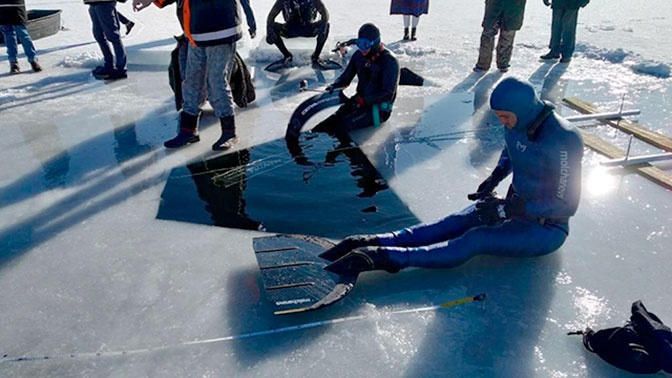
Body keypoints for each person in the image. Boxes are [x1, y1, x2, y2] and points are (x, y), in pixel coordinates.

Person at [321, 77, 584, 277]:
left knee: (476, 239)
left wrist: (513, 207)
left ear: (523, 110)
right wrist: (494, 179)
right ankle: (372, 242)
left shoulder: (562, 139)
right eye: (499, 117)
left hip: (545, 226)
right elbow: (511, 151)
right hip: (512, 208)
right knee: (455, 221)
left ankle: (381, 259)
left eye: (505, 117)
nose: (502, 122)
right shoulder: (519, 122)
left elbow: (567, 204)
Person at [134, 0, 252, 151]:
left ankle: (229, 133)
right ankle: (188, 130)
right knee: (191, 81)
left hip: (221, 30)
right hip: (196, 32)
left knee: (216, 83)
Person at [311, 23, 399, 138]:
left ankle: (342, 154)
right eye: (359, 44)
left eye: (366, 45)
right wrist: (334, 86)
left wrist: (365, 100)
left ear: (375, 43)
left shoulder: (389, 61)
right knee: (328, 123)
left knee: (341, 127)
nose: (362, 49)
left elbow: (388, 93)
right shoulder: (358, 56)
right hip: (358, 101)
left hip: (379, 109)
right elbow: (345, 78)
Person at [266, 0, 330, 67]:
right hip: (291, 29)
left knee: (325, 25)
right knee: (271, 26)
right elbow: (270, 18)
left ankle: (315, 56)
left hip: (306, 29)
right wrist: (269, 33)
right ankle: (287, 55)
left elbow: (325, 16)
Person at [473, 0, 527, 73]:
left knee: (507, 35)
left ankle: (503, 64)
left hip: (514, 6)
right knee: (488, 34)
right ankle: (483, 64)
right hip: (495, 4)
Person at [84, 0, 127, 80]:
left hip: (104, 3)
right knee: (99, 36)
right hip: (93, 3)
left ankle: (121, 69)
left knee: (113, 36)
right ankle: (109, 65)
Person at [0, 0, 42, 74]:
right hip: (3, 7)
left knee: (23, 35)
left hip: (17, 6)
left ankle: (33, 60)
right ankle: (13, 63)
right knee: (9, 36)